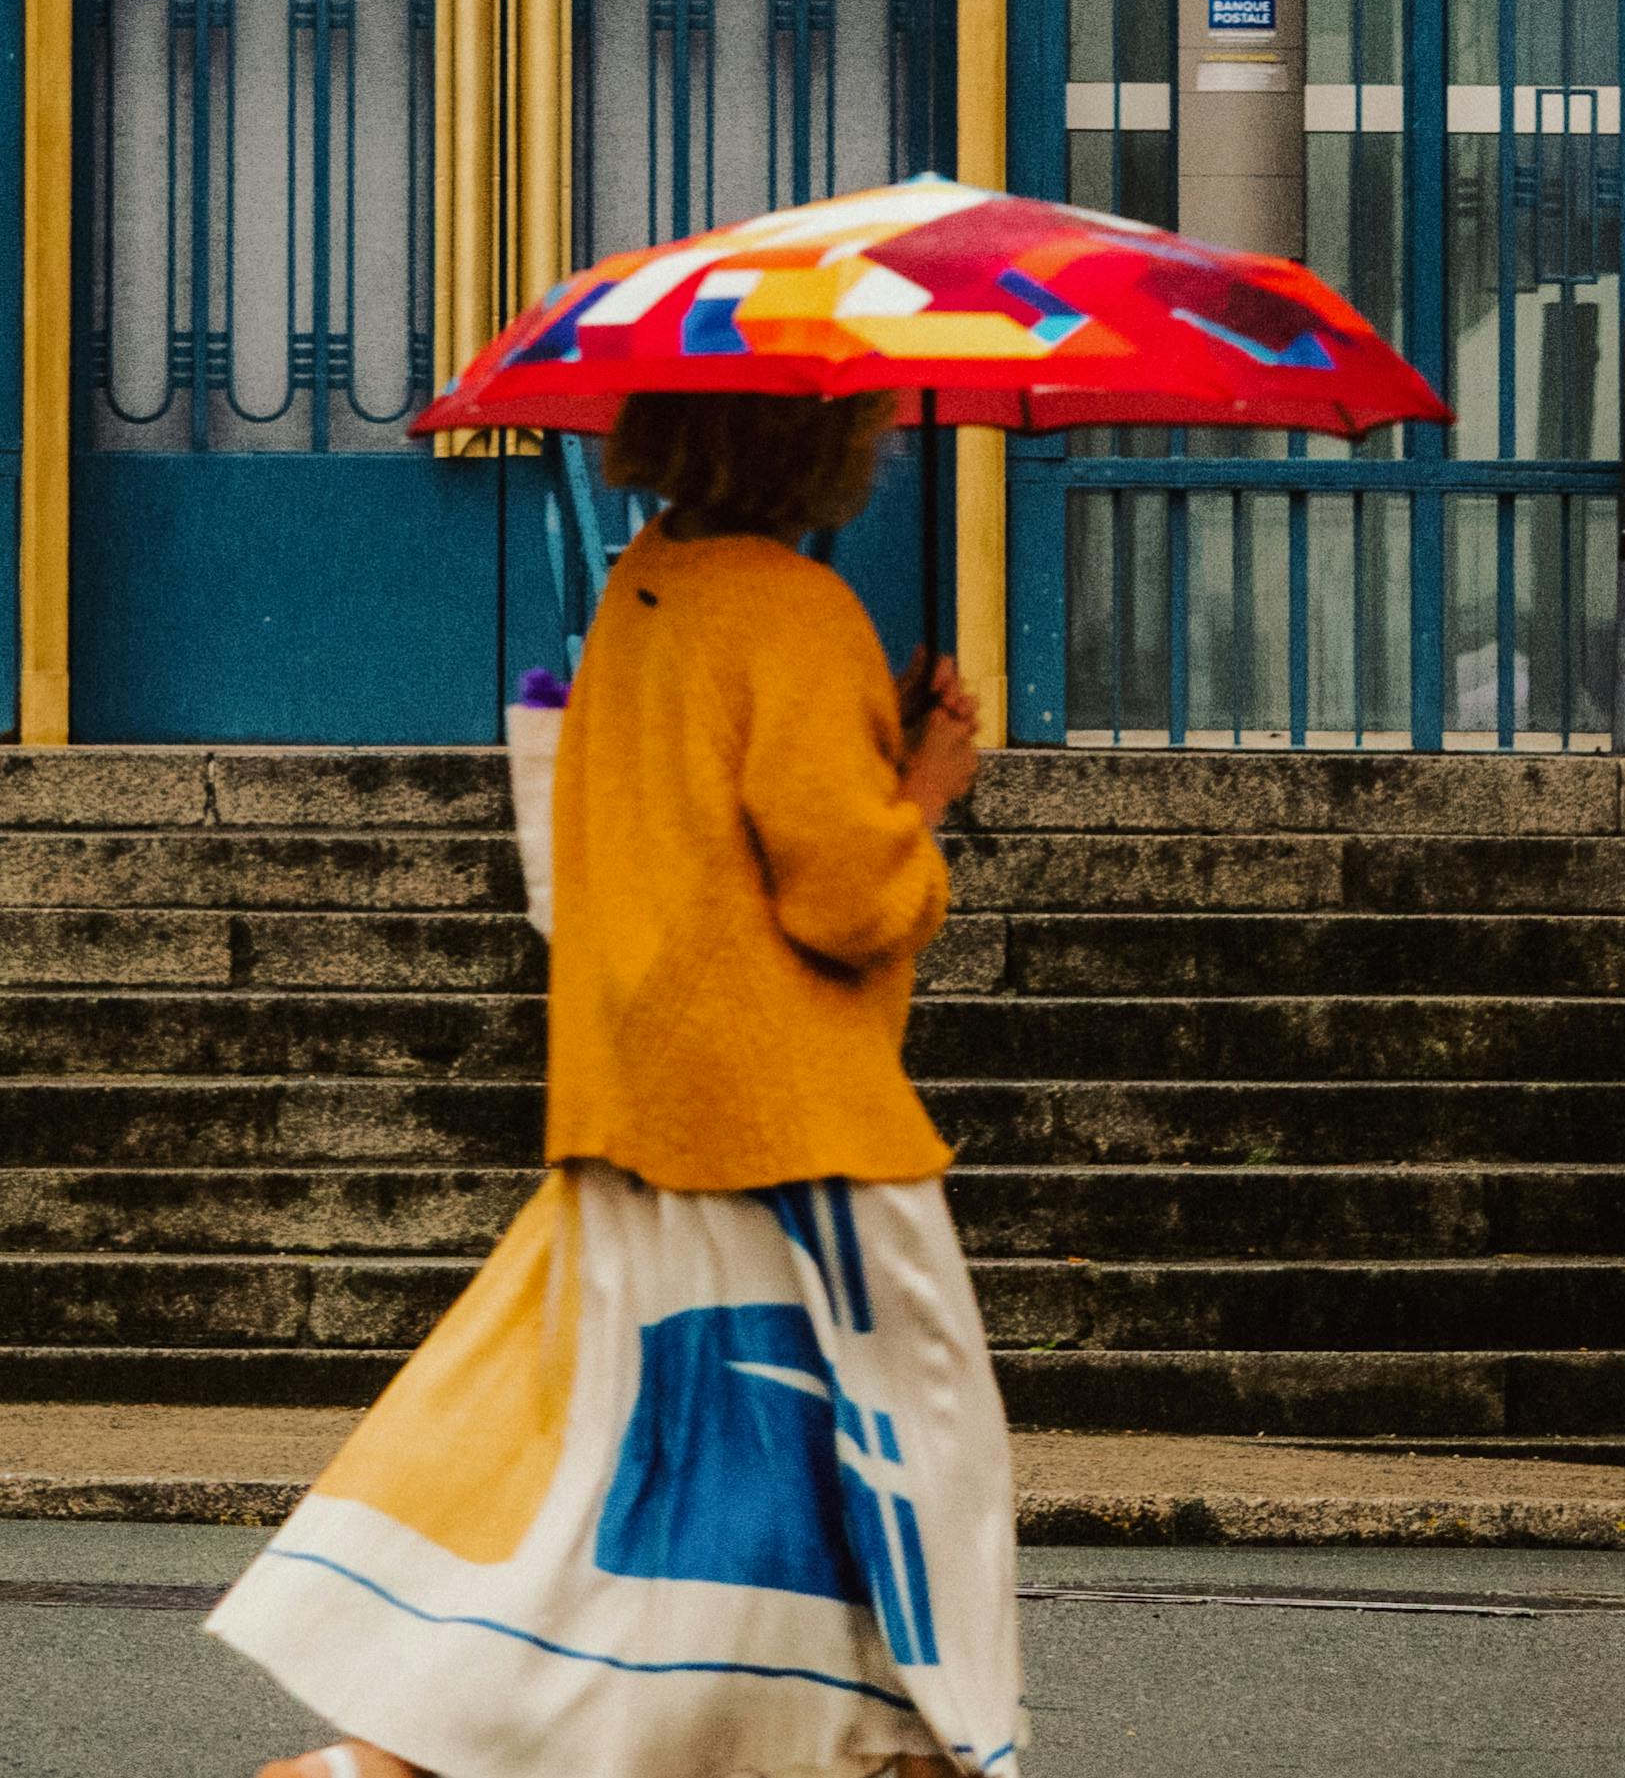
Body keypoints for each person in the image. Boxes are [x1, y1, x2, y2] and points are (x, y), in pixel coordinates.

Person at [209, 386, 1022, 1778]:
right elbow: (844, 896)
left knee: (653, 1475)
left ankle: (399, 1759)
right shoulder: (800, 610)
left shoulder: (646, 589)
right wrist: (929, 782)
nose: (887, 441)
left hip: (639, 1107)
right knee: (913, 1444)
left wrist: (867, 751)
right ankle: (918, 1735)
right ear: (809, 443)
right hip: (791, 1125)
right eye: (867, 422)